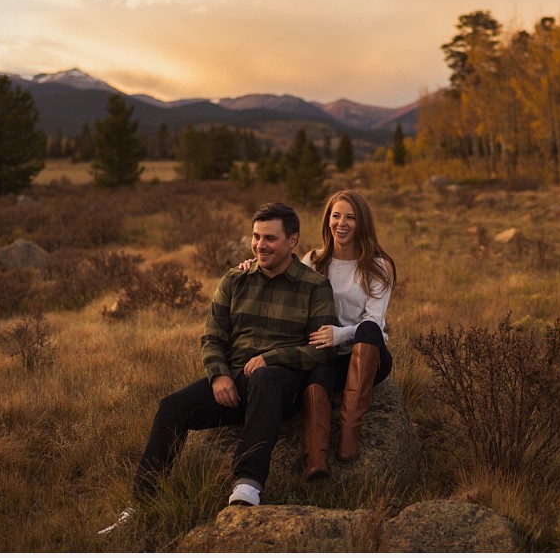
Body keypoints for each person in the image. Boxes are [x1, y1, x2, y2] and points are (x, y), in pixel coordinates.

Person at [99, 202, 338, 535]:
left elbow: (321, 349)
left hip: (283, 386)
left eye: (270, 238)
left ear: (292, 240)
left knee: (265, 376)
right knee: (172, 407)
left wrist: (274, 357)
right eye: (256, 237)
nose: (260, 245)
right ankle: (140, 503)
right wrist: (220, 375)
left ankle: (248, 483)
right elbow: (212, 336)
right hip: (236, 381)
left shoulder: (314, 287)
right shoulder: (235, 279)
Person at [239, 190, 396, 481]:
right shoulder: (314, 260)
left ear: (362, 223)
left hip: (368, 353)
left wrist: (339, 335)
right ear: (328, 220)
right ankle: (316, 460)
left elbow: (374, 321)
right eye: (336, 216)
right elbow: (283, 273)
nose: (342, 223)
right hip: (328, 355)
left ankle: (348, 438)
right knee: (317, 376)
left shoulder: (378, 266)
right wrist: (252, 268)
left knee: (370, 328)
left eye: (350, 217)